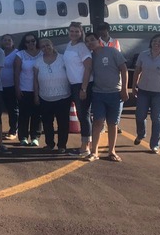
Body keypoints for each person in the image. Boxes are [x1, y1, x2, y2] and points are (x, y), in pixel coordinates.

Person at [84, 32, 128, 162]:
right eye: (87, 41)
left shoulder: (112, 52)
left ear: (99, 40)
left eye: (92, 39)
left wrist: (125, 88)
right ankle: (94, 152)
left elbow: (124, 69)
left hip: (115, 93)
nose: (90, 43)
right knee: (98, 122)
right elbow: (87, 73)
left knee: (112, 123)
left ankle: (111, 151)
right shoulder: (91, 57)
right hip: (98, 93)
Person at [132, 34, 160, 154]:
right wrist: (134, 85)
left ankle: (155, 144)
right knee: (140, 116)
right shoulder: (143, 55)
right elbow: (137, 71)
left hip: (159, 93)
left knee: (156, 118)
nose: (157, 44)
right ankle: (141, 134)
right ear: (151, 43)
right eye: (155, 41)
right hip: (143, 91)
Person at [33, 39, 71, 153]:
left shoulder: (63, 58)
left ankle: (62, 145)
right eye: (43, 47)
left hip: (63, 96)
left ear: (52, 45)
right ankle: (49, 143)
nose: (46, 48)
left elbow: (70, 74)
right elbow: (35, 80)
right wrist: (36, 95)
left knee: (63, 123)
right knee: (47, 122)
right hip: (45, 97)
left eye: (47, 45)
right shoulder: (38, 61)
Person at [63, 22, 93, 157]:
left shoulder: (82, 47)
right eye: (71, 31)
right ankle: (86, 144)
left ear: (81, 33)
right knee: (82, 116)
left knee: (84, 115)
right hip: (74, 84)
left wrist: (84, 88)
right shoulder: (70, 45)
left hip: (82, 84)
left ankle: (85, 147)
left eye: (77, 31)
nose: (74, 33)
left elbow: (88, 67)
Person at [14, 33, 41, 146]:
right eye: (28, 41)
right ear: (24, 43)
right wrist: (17, 88)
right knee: (24, 114)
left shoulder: (42, 53)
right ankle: (23, 137)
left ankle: (35, 137)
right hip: (24, 88)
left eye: (33, 41)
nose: (31, 43)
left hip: (39, 89)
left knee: (37, 114)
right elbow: (16, 73)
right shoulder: (20, 55)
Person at [1, 34, 18, 140]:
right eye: (5, 40)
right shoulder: (0, 53)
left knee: (13, 109)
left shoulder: (17, 53)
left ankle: (13, 130)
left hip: (12, 85)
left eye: (9, 40)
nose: (7, 42)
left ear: (13, 42)